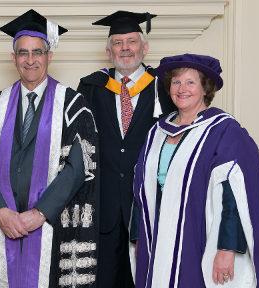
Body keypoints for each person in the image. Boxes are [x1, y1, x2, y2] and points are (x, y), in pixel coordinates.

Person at [0, 9, 99, 288]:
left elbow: (79, 167)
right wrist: (1, 212)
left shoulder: (72, 104)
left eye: (37, 52)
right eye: (23, 53)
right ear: (13, 57)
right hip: (4, 223)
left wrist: (39, 213)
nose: (30, 60)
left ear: (49, 56)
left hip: (52, 224)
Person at [132, 53, 259, 287]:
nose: (181, 89)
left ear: (205, 88)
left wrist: (227, 248)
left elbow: (234, 195)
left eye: (190, 82)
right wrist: (138, 239)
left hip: (199, 238)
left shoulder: (223, 130)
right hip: (157, 239)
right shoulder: (157, 132)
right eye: (176, 82)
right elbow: (140, 189)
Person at [76, 10, 175, 287]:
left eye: (131, 41)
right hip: (102, 205)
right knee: (103, 279)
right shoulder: (91, 87)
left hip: (148, 203)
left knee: (145, 277)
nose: (125, 48)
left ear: (145, 48)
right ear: (108, 51)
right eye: (118, 43)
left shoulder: (165, 88)